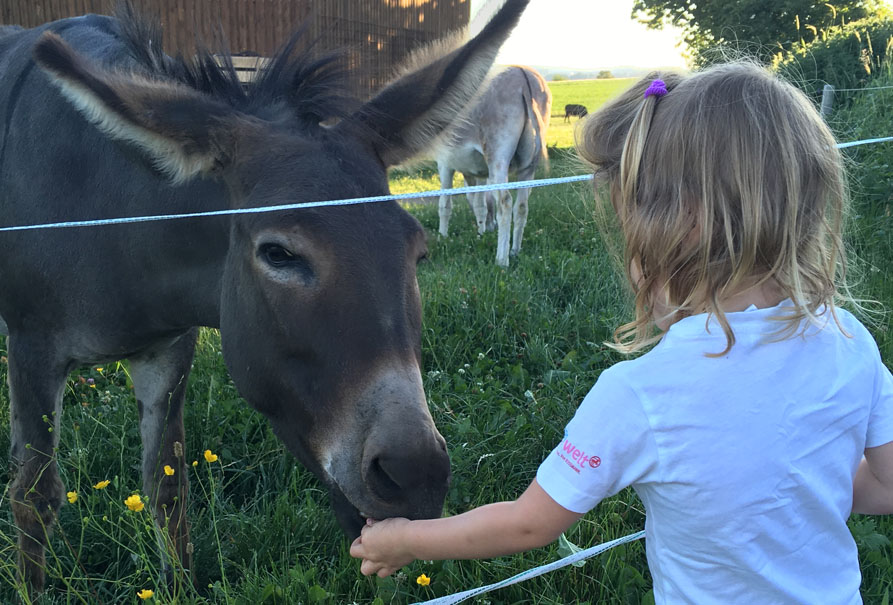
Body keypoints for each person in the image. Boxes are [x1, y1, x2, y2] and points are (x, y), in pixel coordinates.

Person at [349, 61, 893, 603]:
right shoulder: (850, 343)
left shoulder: (640, 395)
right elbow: (883, 486)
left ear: (679, 229)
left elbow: (527, 523)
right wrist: (794, 485)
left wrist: (406, 539)